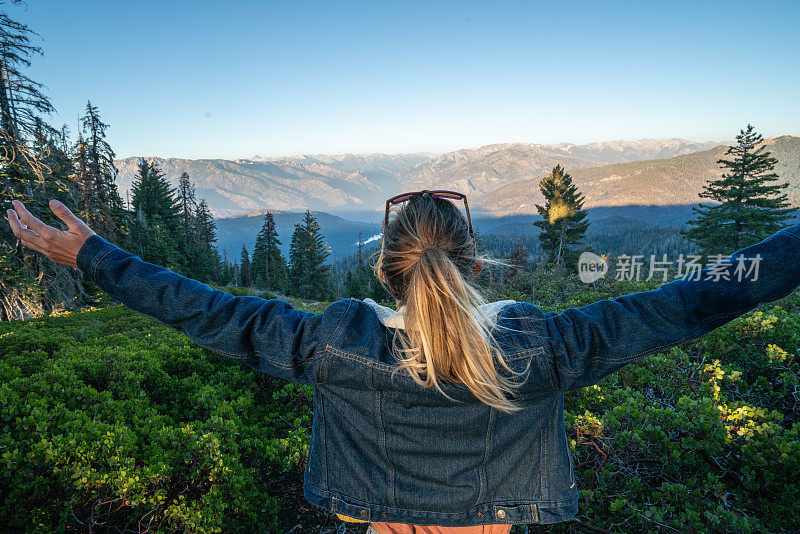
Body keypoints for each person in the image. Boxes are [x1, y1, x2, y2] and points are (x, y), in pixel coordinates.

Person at [6, 193, 800, 533]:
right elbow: (695, 300)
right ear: (475, 265)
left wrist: (95, 256)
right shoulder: (544, 348)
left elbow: (207, 310)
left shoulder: (335, 344)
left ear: (384, 269)